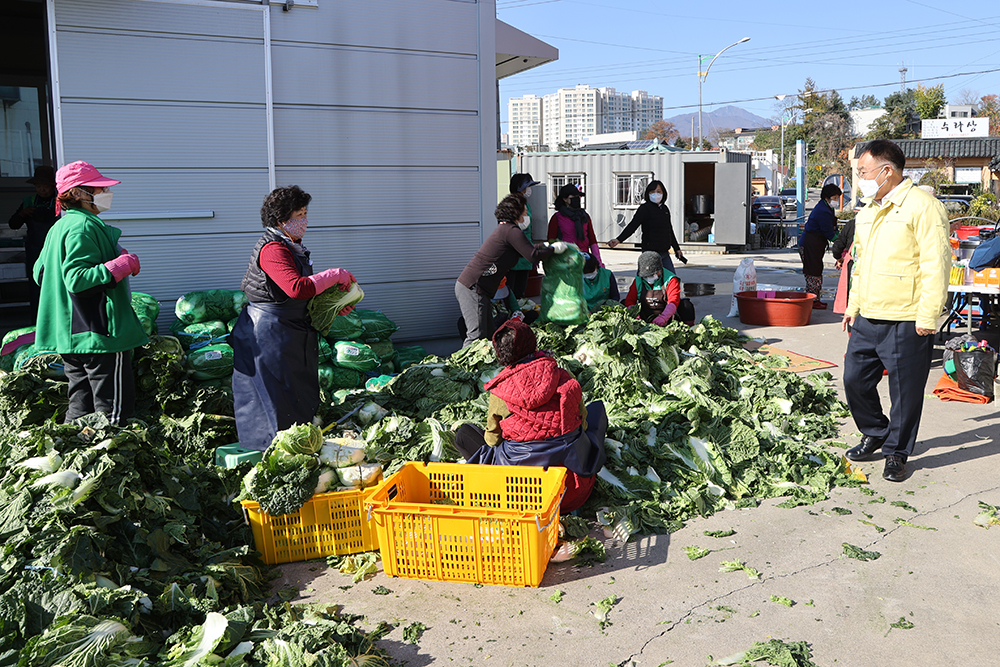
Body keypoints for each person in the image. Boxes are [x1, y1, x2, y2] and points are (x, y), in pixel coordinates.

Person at [842, 139, 951, 482]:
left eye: (863, 172)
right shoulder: (869, 210)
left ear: (886, 171)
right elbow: (860, 264)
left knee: (904, 392)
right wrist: (853, 304)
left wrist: (928, 315)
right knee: (854, 380)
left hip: (906, 317)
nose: (860, 179)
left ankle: (897, 452)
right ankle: (875, 431)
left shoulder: (923, 206)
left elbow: (937, 264)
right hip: (868, 315)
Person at [231, 185, 356, 451]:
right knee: (275, 400)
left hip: (289, 331)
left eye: (305, 213)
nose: (305, 221)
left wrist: (335, 305)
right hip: (267, 335)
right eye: (299, 215)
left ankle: (299, 450)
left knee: (296, 395)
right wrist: (333, 274)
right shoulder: (272, 249)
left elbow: (300, 294)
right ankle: (272, 455)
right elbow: (296, 288)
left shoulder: (290, 246)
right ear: (282, 220)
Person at [34, 161, 146, 425]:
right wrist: (119, 265)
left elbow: (40, 274)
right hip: (99, 334)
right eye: (98, 188)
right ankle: (107, 459)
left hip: (70, 335)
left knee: (80, 407)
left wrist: (110, 255)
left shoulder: (58, 228)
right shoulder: (84, 227)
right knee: (112, 415)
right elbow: (77, 279)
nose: (104, 193)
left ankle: (73, 456)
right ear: (79, 194)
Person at [454, 319, 607, 512]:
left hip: (520, 495)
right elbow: (582, 425)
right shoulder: (563, 376)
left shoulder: (499, 392)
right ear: (532, 344)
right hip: (571, 493)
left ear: (501, 354)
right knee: (597, 410)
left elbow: (492, 440)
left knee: (464, 434)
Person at [456, 193, 563, 347]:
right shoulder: (511, 230)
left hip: (479, 288)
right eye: (525, 212)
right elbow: (532, 255)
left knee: (487, 335)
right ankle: (462, 369)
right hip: (473, 287)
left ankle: (486, 368)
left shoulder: (506, 229)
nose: (527, 215)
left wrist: (547, 246)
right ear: (516, 212)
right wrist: (554, 250)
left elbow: (528, 249)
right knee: (476, 335)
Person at [8, 165, 59, 313]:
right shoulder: (28, 202)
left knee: (55, 286)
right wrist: (22, 214)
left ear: (52, 186)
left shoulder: (60, 202)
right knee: (36, 287)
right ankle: (36, 322)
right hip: (34, 253)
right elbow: (13, 224)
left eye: (46, 186)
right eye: (38, 186)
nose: (42, 189)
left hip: (54, 251)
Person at [608, 180, 686, 273]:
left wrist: (677, 249)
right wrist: (619, 239)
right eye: (652, 192)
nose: (655, 194)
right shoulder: (644, 209)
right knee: (648, 280)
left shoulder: (664, 209)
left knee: (671, 280)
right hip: (650, 253)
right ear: (648, 194)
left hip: (665, 253)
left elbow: (669, 230)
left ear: (663, 193)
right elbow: (633, 225)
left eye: (658, 191)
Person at [799, 183, 841, 309]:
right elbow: (829, 232)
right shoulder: (823, 211)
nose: (836, 201)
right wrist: (840, 244)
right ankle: (812, 300)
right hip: (809, 244)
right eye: (834, 198)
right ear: (826, 198)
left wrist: (840, 237)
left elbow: (834, 228)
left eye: (837, 198)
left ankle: (814, 298)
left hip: (815, 244)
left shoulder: (827, 209)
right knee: (813, 273)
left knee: (815, 271)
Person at [547, 184, 603, 265]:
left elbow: (592, 240)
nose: (577, 199)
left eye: (578, 196)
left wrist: (598, 262)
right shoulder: (557, 218)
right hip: (565, 260)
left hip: (584, 258)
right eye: (573, 197)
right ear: (565, 199)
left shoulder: (584, 216)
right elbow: (551, 241)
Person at [622, 250, 681, 326]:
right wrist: (636, 316)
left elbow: (673, 301)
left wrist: (663, 317)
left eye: (651, 275)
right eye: (645, 276)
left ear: (660, 270)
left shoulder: (670, 279)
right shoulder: (638, 280)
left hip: (666, 318)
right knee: (622, 303)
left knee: (686, 306)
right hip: (644, 318)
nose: (648, 278)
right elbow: (629, 301)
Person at [507, 173, 541, 299]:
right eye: (528, 187)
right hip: (514, 255)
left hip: (525, 255)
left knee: (521, 292)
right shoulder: (511, 205)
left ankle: (518, 317)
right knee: (510, 292)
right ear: (521, 188)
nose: (530, 190)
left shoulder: (527, 205)